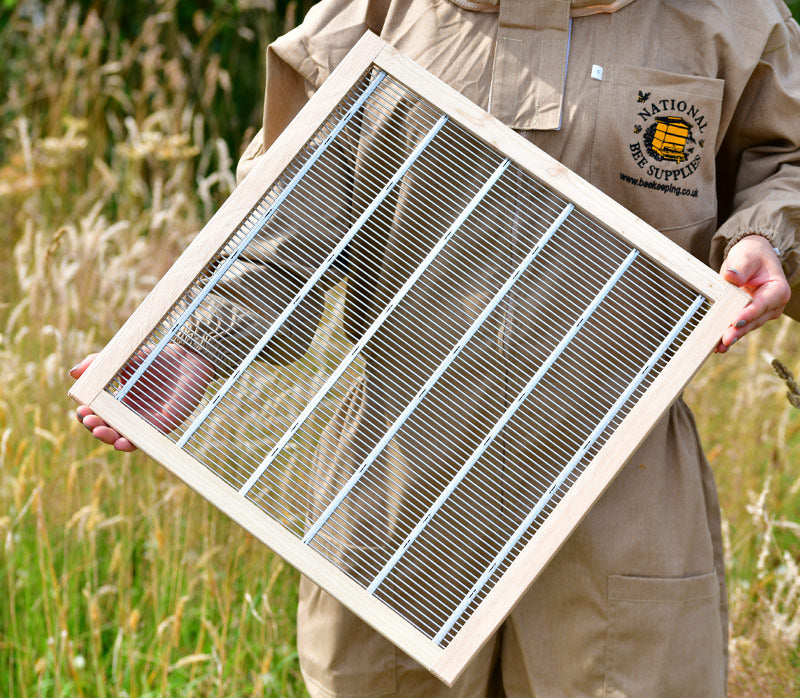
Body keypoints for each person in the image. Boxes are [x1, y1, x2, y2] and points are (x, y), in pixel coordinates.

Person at [71, 0, 800, 695]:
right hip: (395, 473)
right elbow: (291, 211)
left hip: (622, 480)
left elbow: (785, 160)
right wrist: (195, 344)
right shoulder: (376, 14)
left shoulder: (729, 18)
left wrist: (768, 236)